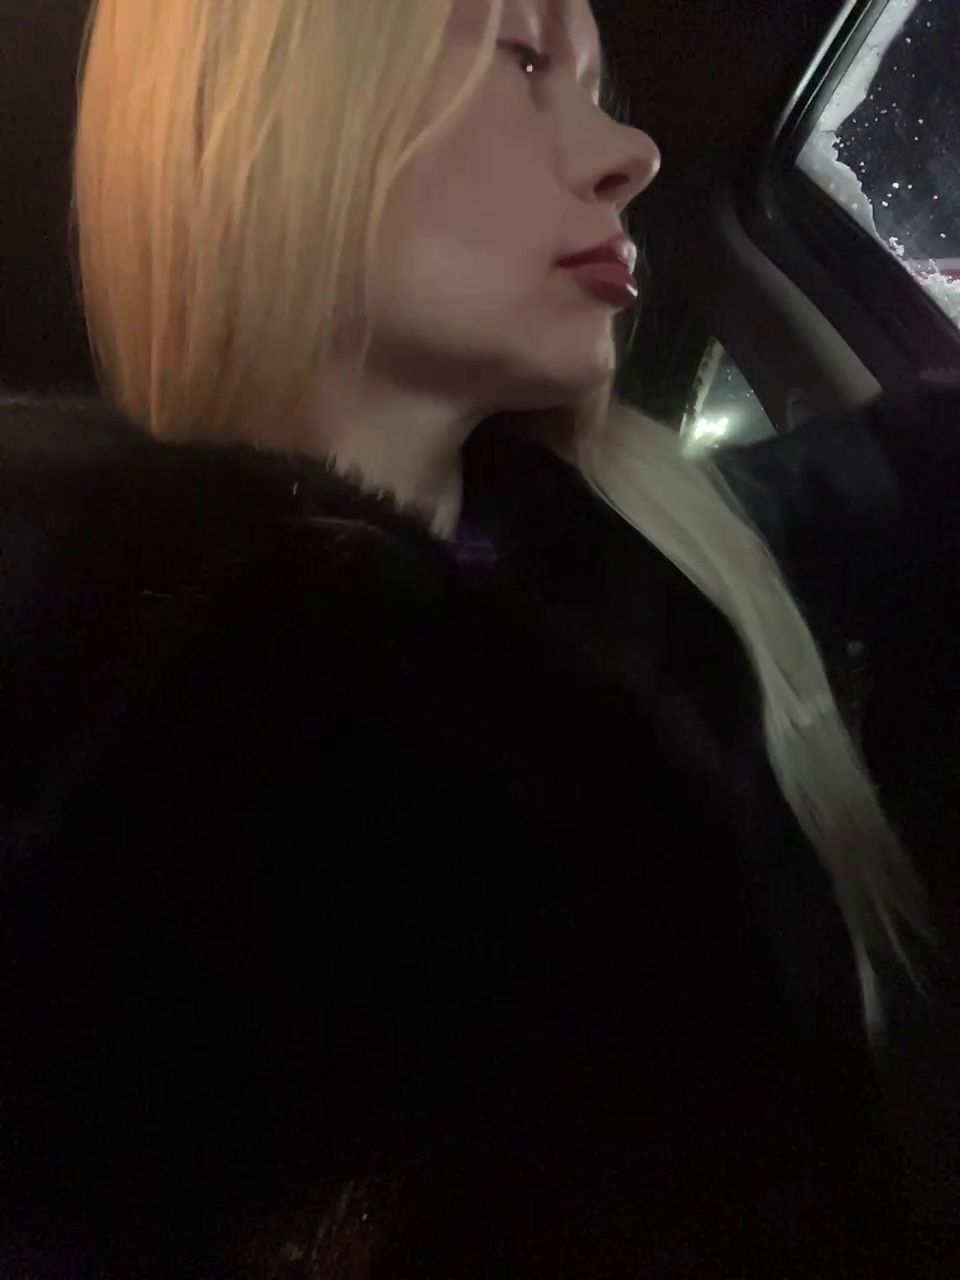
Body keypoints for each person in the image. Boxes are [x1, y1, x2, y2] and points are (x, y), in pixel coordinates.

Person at [0, 0, 953, 1276]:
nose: (631, 153)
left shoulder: (668, 556)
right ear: (269, 126)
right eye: (523, 59)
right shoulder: (85, 743)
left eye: (595, 86)